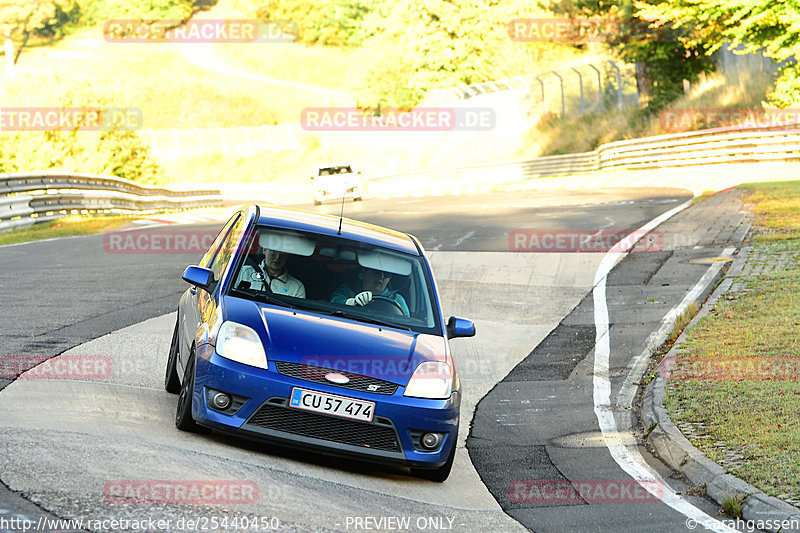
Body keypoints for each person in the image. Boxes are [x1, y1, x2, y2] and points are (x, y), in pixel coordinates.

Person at [330, 267, 409, 316]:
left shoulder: (397, 299)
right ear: (364, 272)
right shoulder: (349, 289)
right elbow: (333, 303)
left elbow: (406, 321)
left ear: (390, 279)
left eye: (386, 274)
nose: (381, 277)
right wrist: (352, 302)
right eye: (376, 271)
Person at [236, 246, 306, 298]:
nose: (277, 258)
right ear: (264, 250)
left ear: (287, 256)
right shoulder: (244, 272)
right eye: (273, 252)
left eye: (282, 254)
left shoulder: (297, 287)